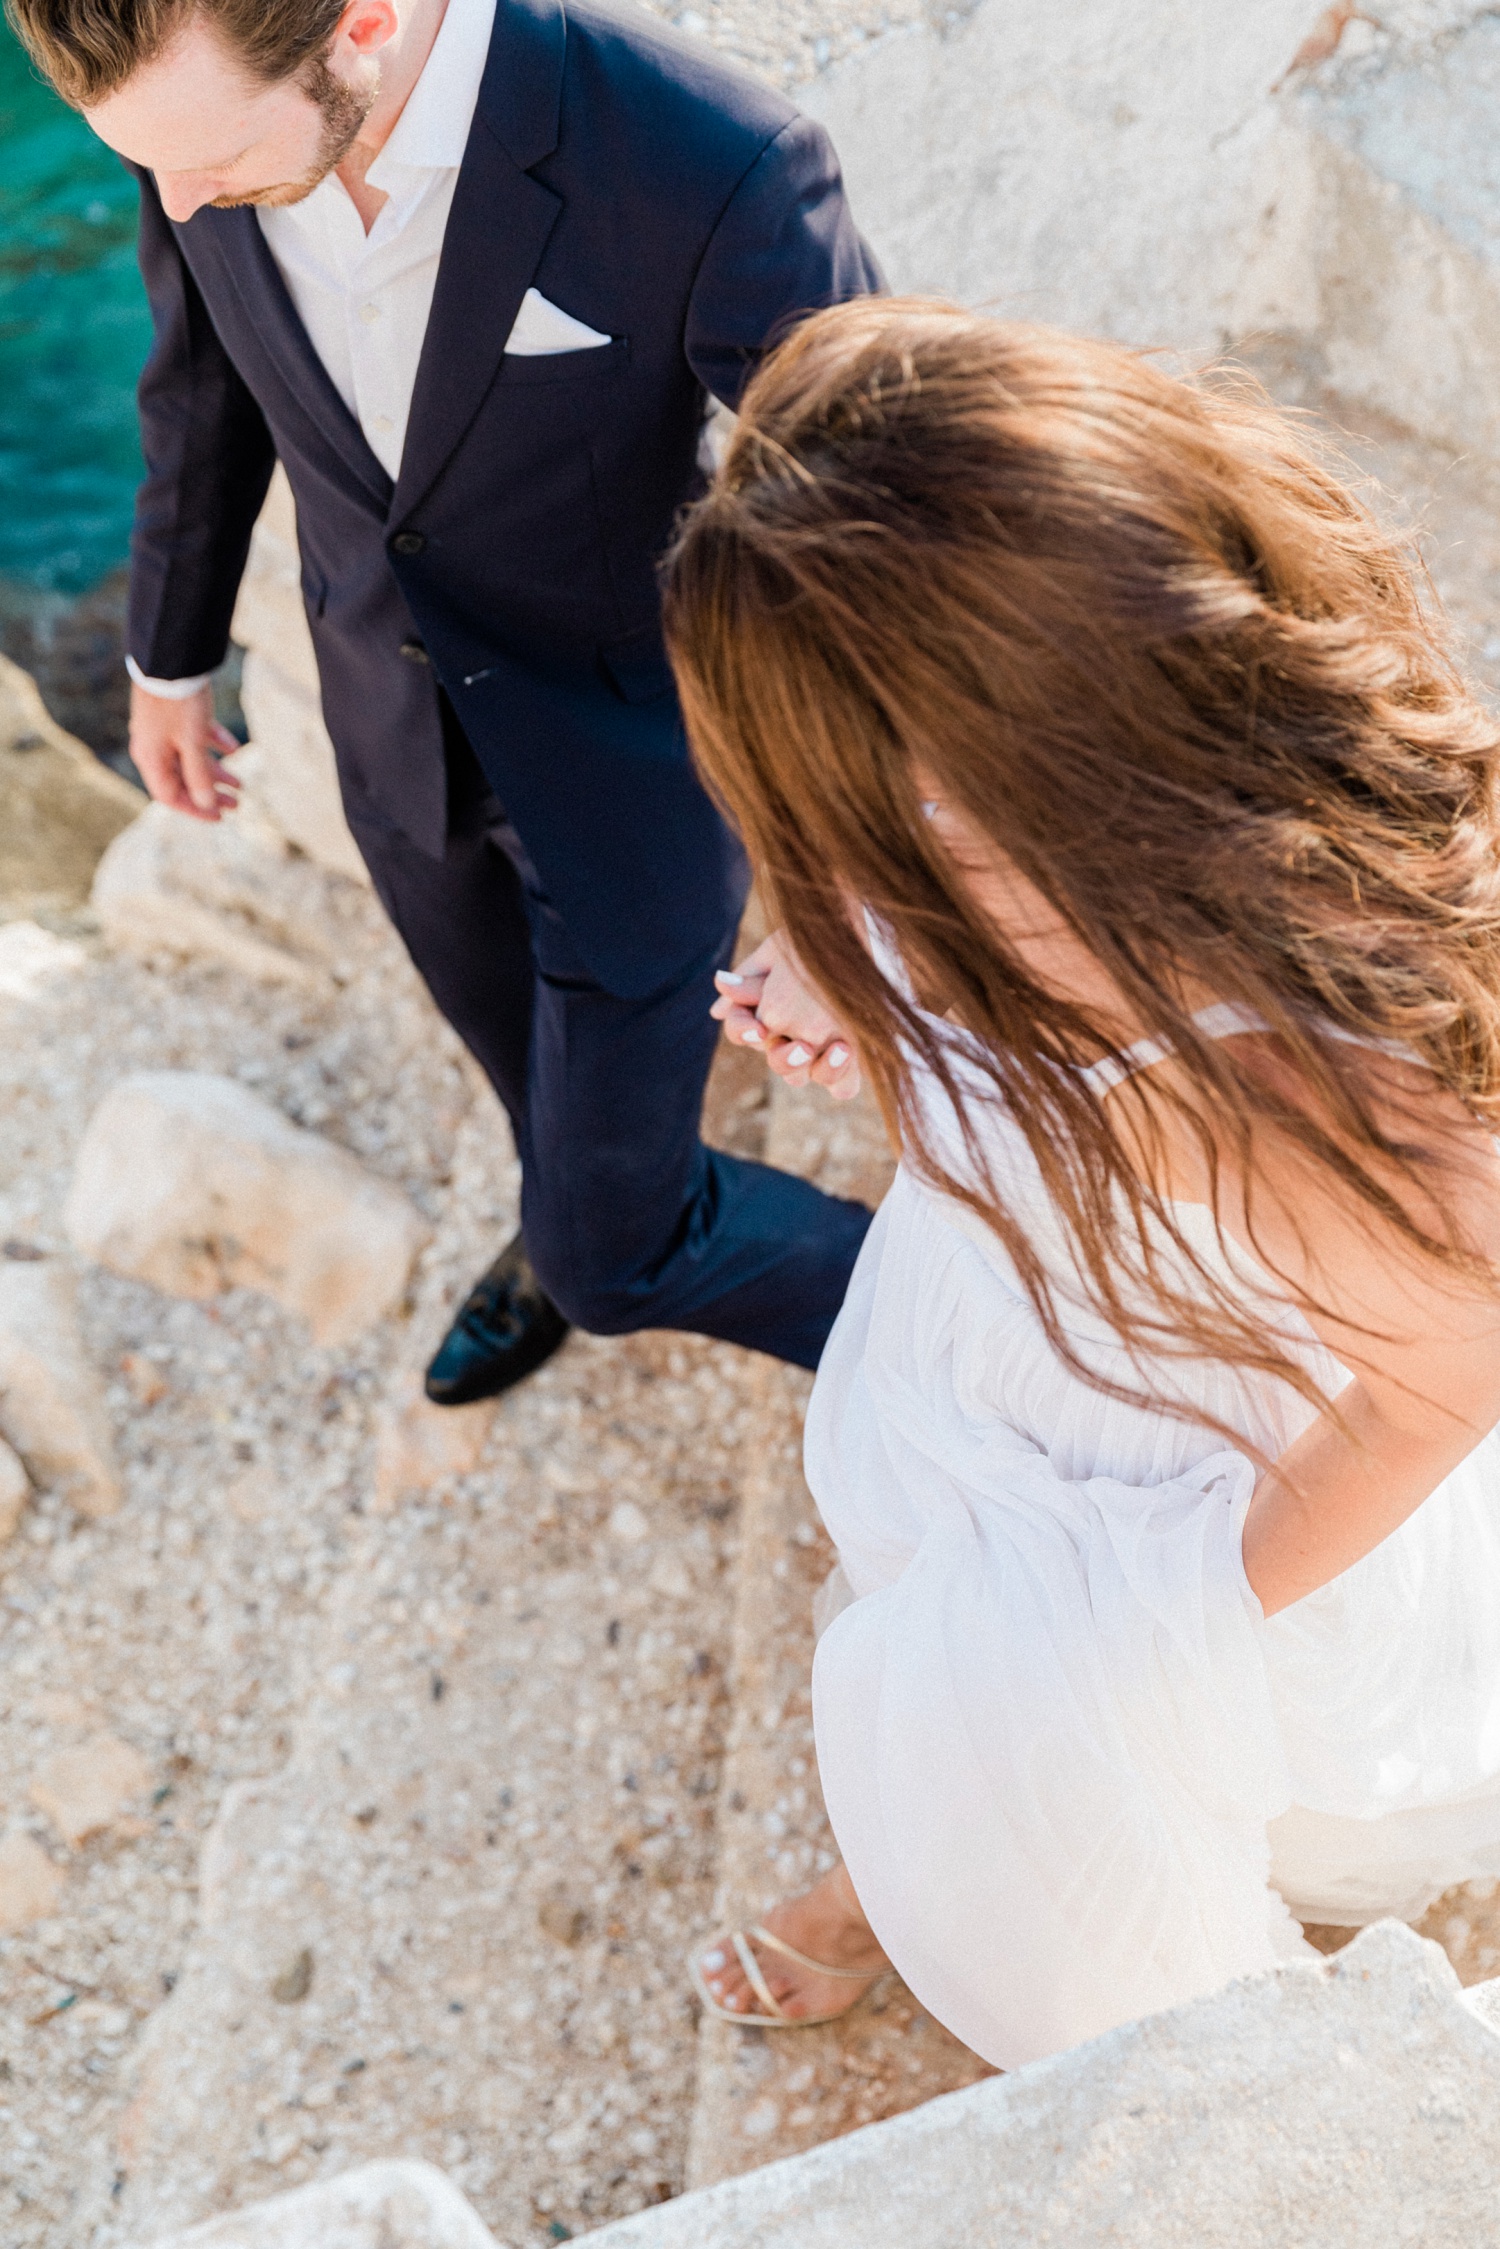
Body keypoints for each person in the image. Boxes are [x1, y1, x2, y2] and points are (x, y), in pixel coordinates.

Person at [669, 299, 1500, 2067]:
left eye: (863, 843)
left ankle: (914, 1880)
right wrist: (868, 971)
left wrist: (1154, 1617)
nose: (821, 879)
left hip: (1200, 1475)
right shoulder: (1088, 799)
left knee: (1019, 1769)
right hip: (1049, 1319)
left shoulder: (1274, 1084)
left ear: (1035, 795)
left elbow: (1458, 1357)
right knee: (924, 1644)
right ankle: (898, 1857)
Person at [9, 0, 881, 1399]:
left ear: (365, 22)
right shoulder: (195, 114)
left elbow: (880, 558)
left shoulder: (710, 161)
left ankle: (956, 1317)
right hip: (391, 753)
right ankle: (563, 1208)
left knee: (617, 1253)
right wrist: (168, 659)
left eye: (207, 163)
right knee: (533, 1090)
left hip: (632, 785)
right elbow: (202, 392)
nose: (175, 201)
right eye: (147, 163)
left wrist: (854, 909)